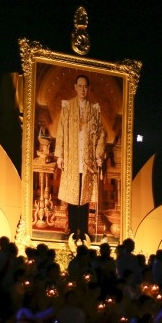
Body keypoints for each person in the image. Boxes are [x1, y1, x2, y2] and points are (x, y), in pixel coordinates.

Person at [55, 74, 106, 241]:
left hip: (87, 161)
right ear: (75, 87)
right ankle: (72, 229)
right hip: (71, 158)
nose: (83, 89)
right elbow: (61, 131)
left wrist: (99, 155)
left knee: (84, 196)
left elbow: (101, 134)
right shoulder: (68, 107)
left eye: (86, 86)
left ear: (89, 88)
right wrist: (60, 155)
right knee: (72, 196)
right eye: (80, 86)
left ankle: (83, 230)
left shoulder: (94, 110)